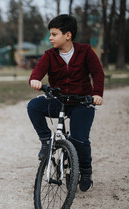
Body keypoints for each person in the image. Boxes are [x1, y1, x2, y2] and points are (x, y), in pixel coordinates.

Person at [27, 14, 104, 192]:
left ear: (67, 35)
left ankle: (85, 170)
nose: (50, 38)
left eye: (54, 34)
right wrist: (35, 80)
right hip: (59, 101)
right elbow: (36, 73)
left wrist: (97, 94)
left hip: (81, 102)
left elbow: (98, 74)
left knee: (80, 140)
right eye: (50, 34)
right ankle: (46, 141)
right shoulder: (49, 55)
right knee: (33, 107)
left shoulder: (85, 51)